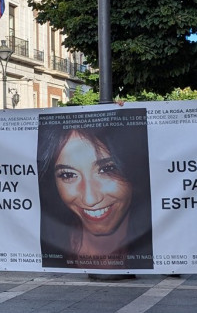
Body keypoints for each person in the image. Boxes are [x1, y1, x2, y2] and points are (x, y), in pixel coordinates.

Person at [37, 108, 153, 270]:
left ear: (132, 168)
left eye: (107, 169)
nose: (90, 199)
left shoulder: (160, 244)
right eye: (68, 175)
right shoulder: (44, 244)